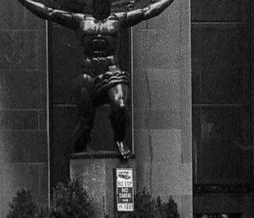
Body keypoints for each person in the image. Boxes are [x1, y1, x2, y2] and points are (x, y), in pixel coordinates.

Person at [14, 0, 176, 160]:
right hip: (88, 74)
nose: (101, 5)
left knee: (119, 105)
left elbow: (147, 11)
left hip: (112, 72)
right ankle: (80, 147)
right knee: (85, 121)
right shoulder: (80, 21)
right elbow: (49, 13)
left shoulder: (118, 20)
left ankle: (119, 141)